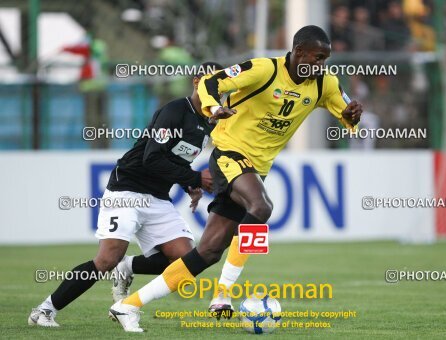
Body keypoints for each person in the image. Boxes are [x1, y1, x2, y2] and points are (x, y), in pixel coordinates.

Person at [109, 25, 362, 333]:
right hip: (228, 154)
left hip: (256, 168)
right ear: (298, 52)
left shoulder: (325, 83)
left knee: (208, 252)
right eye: (318, 57)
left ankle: (128, 305)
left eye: (326, 59)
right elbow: (212, 82)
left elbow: (345, 114)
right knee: (261, 206)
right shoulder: (263, 70)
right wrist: (215, 106)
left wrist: (352, 116)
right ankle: (222, 297)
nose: (321, 64)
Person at [28, 62, 223, 328]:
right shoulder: (175, 111)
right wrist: (195, 177)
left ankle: (127, 267)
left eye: (220, 83)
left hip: (156, 196)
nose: (215, 88)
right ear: (196, 81)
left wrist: (190, 184)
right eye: (210, 81)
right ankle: (44, 310)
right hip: (127, 188)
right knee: (107, 259)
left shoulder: (209, 123)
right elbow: (152, 158)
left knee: (185, 260)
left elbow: (176, 157)